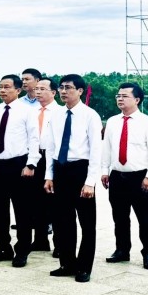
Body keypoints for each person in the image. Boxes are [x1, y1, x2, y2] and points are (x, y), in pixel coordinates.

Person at [44, 74, 103, 283]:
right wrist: (49, 176)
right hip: (61, 169)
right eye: (61, 88)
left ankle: (84, 267)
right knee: (62, 221)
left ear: (79, 91)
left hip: (81, 170)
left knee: (87, 223)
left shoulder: (90, 115)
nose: (63, 91)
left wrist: (90, 182)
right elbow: (50, 147)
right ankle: (67, 263)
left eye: (68, 88)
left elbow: (96, 151)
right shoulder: (57, 115)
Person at [0, 74, 40, 268]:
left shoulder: (27, 111)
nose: (3, 90)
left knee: (23, 211)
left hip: (19, 165)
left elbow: (34, 139)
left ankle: (22, 249)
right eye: (0, 87)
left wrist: (31, 164)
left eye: (7, 87)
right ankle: (3, 246)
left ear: (18, 90)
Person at [101, 82, 148, 270]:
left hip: (140, 177)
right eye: (118, 95)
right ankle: (122, 250)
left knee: (145, 218)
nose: (120, 98)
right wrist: (105, 170)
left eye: (125, 96)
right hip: (117, 176)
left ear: (137, 99)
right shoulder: (112, 122)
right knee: (120, 217)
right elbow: (107, 149)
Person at [31, 77, 62, 253]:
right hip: (34, 158)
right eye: (37, 89)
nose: (38, 92)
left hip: (53, 158)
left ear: (53, 92)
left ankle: (59, 243)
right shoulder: (31, 111)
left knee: (55, 202)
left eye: (43, 89)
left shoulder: (59, 112)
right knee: (36, 201)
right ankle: (40, 240)